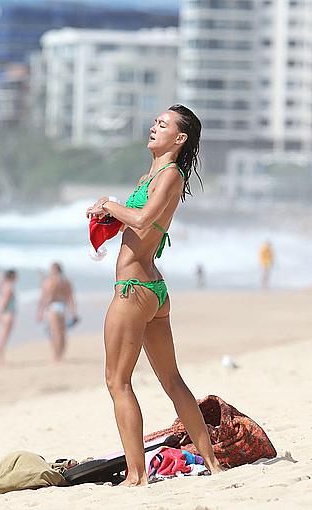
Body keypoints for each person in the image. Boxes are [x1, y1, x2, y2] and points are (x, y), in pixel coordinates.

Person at [86, 104, 222, 486]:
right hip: (153, 291)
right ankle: (212, 464)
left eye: (162, 125)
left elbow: (145, 220)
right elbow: (140, 222)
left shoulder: (170, 175)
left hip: (134, 291)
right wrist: (106, 215)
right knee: (171, 379)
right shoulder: (154, 174)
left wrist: (110, 204)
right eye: (154, 122)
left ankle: (136, 476)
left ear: (179, 139)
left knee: (118, 382)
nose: (153, 127)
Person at [37, 262, 78, 362]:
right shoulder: (66, 281)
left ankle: (56, 355)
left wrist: (40, 311)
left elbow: (46, 297)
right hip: (63, 307)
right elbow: (70, 297)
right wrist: (73, 312)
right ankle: (61, 354)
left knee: (54, 332)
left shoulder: (50, 281)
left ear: (54, 270)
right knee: (62, 332)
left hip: (53, 307)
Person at [0, 269, 18, 366]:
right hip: (8, 314)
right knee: (4, 337)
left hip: (6, 313)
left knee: (3, 336)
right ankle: (1, 359)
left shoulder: (4, 285)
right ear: (12, 277)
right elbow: (4, 300)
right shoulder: (9, 287)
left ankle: (1, 358)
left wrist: (0, 276)